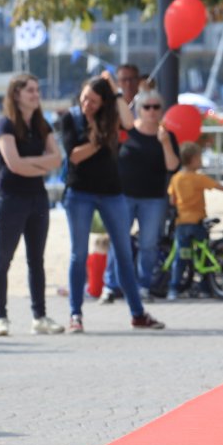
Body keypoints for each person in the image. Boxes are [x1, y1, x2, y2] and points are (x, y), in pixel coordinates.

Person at [57, 77, 164, 332]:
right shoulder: (71, 118)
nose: (87, 104)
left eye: (93, 101)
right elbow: (75, 156)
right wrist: (101, 140)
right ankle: (75, 315)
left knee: (124, 253)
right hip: (79, 192)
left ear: (103, 102)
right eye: (84, 98)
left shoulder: (111, 116)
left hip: (112, 192)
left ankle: (137, 314)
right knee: (78, 254)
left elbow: (129, 123)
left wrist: (116, 92)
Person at [0, 74, 64, 335]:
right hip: (10, 198)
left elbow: (57, 159)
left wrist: (30, 164)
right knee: (3, 259)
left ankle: (39, 316)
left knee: (36, 260)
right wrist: (41, 165)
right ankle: (0, 317)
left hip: (37, 198)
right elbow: (13, 164)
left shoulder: (42, 124)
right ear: (16, 94)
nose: (35, 94)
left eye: (37, 90)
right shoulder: (6, 124)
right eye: (30, 90)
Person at [101, 88, 179, 304]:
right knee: (119, 240)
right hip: (123, 196)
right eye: (147, 107)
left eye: (156, 107)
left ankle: (143, 286)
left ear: (161, 110)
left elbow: (173, 166)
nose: (152, 111)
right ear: (138, 110)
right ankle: (111, 285)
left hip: (154, 198)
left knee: (149, 244)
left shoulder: (167, 135)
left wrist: (165, 143)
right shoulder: (127, 132)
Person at [167, 141, 223, 299]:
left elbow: (172, 200)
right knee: (203, 255)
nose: (201, 161)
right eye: (199, 158)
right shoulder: (199, 178)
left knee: (182, 257)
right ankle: (204, 288)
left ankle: (174, 289)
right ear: (193, 159)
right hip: (198, 223)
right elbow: (222, 188)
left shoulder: (176, 179)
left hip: (182, 224)